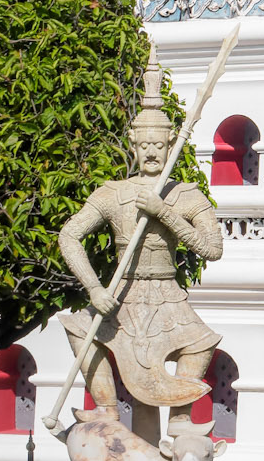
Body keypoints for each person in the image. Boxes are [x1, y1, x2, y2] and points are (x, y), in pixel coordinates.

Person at [57, 51, 224, 434]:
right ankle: (107, 409)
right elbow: (70, 235)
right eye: (144, 144)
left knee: (200, 345)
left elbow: (212, 249)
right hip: (123, 291)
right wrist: (94, 288)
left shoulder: (186, 194)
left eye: (158, 144)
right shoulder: (112, 193)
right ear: (134, 144)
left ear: (169, 145)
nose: (151, 151)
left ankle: (181, 419)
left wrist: (164, 213)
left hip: (167, 294)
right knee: (78, 329)